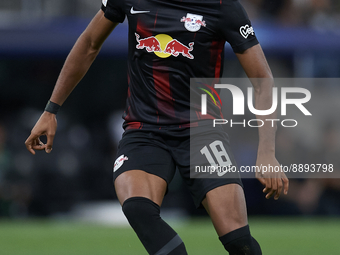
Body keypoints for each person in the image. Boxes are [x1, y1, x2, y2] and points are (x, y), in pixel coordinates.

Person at [25, 0, 289, 254]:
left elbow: (262, 79)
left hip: (202, 132)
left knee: (237, 240)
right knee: (139, 209)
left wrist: (266, 152)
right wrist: (51, 110)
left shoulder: (222, 6)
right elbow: (89, 43)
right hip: (145, 130)